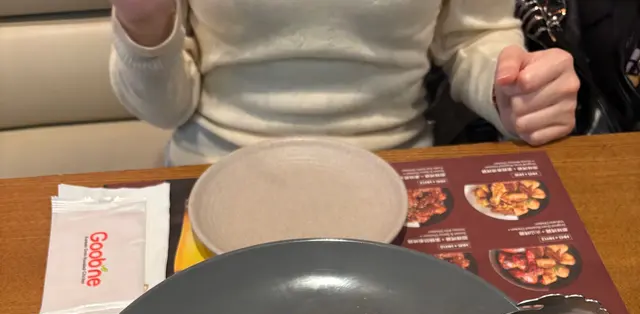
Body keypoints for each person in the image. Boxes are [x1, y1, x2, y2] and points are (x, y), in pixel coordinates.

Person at [110, 0, 580, 166]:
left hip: (396, 172)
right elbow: (163, 110)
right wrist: (144, 23)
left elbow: (473, 37)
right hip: (212, 170)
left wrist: (511, 89)